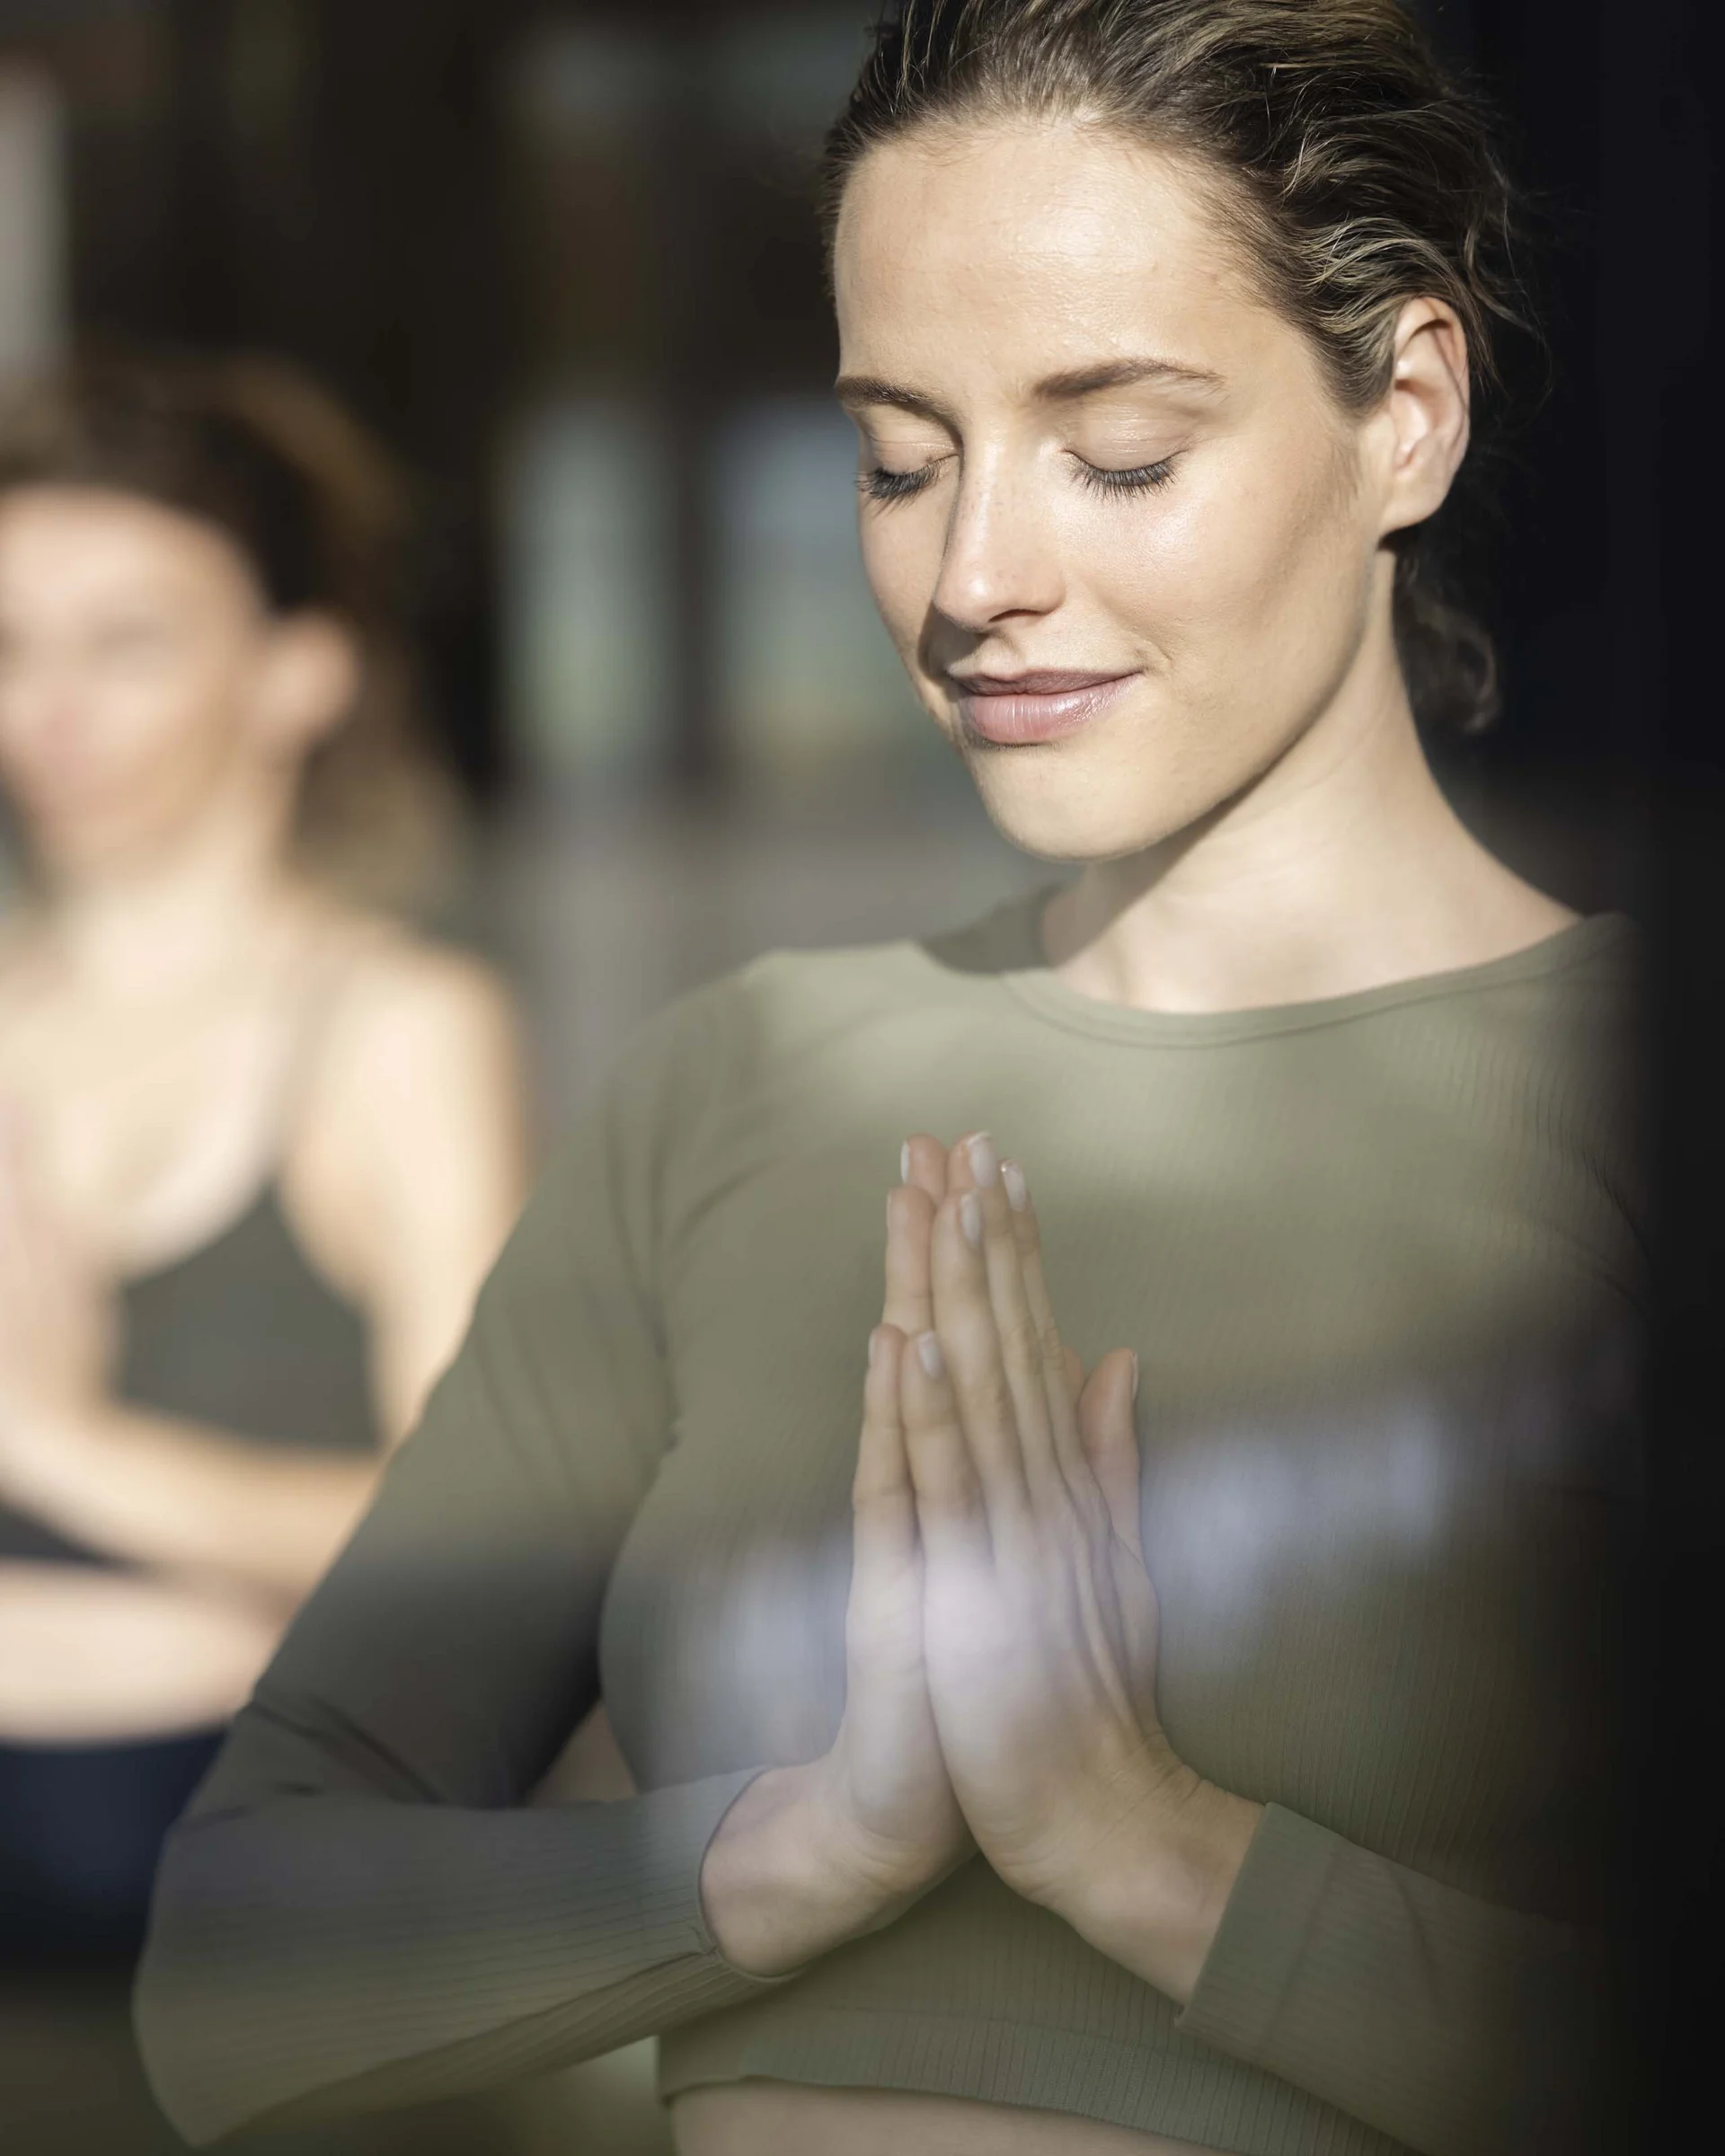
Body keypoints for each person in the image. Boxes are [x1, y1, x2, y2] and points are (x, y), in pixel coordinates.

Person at [135, 6, 1641, 2155]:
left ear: (1405, 410)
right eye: (900, 460)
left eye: (1117, 451)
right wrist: (784, 1860)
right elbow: (227, 1969)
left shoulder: (1634, 1092)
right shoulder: (743, 1083)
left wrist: (1146, 1850)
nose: (970, 583)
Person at [0, 350, 528, 1975]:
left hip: (219, 1876)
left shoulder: (395, 1032)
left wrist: (47, 1441)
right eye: (10, 644)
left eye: (128, 644)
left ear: (300, 670)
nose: (48, 711)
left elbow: (474, 1551)